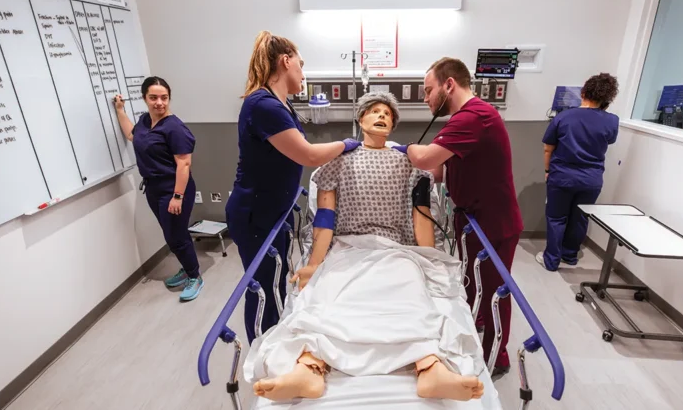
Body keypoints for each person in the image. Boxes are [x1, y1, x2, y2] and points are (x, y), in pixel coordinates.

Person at [244, 92, 485, 402]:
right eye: (373, 111)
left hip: (395, 250)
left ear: (393, 124)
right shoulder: (338, 161)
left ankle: (431, 366)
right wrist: (315, 264)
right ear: (360, 119)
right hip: (347, 248)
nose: (381, 115)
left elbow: (422, 217)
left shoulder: (410, 164)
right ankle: (308, 369)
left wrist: (431, 260)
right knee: (326, 299)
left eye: (387, 113)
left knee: (411, 298)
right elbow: (326, 219)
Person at [227, 31, 361, 344]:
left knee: (274, 283)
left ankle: (277, 341)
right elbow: (309, 154)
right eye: (300, 64)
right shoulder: (263, 105)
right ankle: (264, 354)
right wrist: (345, 144)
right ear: (285, 61)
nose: (303, 73)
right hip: (254, 214)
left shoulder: (280, 105)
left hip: (273, 211)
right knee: (260, 287)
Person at [394, 57, 523, 378]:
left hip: (493, 223)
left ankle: (498, 357)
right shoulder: (461, 120)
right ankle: (474, 327)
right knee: (472, 284)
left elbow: (425, 158)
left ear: (448, 84)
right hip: (470, 220)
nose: (425, 99)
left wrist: (399, 149)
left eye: (427, 91)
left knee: (494, 291)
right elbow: (437, 171)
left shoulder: (475, 116)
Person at [114, 77, 203, 302]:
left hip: (174, 189)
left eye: (164, 98)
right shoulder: (145, 121)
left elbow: (184, 164)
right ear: (145, 98)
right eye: (153, 98)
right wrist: (120, 111)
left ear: (169, 99)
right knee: (171, 233)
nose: (159, 103)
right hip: (153, 189)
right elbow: (131, 135)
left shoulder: (175, 127)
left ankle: (194, 276)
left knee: (176, 235)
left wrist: (177, 196)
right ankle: (186, 266)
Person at [535, 73, 620, 271]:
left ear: (583, 93)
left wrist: (548, 170)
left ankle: (551, 260)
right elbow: (609, 141)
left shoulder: (564, 117)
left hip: (562, 176)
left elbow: (548, 148)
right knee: (580, 217)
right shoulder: (611, 121)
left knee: (557, 217)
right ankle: (570, 256)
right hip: (591, 179)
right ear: (608, 98)